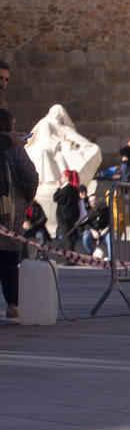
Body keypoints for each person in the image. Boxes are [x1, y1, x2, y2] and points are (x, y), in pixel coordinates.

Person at [0, 108, 38, 323]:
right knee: (7, 258)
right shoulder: (15, 150)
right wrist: (28, 199)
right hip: (10, 211)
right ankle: (13, 305)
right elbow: (30, 176)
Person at [52, 169, 85, 253]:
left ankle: (70, 258)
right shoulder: (73, 188)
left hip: (66, 217)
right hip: (69, 216)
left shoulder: (67, 189)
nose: (61, 178)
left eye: (62, 176)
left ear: (67, 177)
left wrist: (58, 189)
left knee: (67, 238)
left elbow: (56, 197)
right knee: (69, 237)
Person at [80, 191, 111, 259]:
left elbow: (110, 221)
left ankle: (111, 259)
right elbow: (86, 223)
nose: (93, 203)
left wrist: (106, 229)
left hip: (104, 232)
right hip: (93, 232)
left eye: (94, 200)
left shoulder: (105, 209)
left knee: (110, 238)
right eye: (91, 201)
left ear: (99, 200)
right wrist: (92, 230)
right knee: (86, 237)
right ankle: (91, 256)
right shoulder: (88, 211)